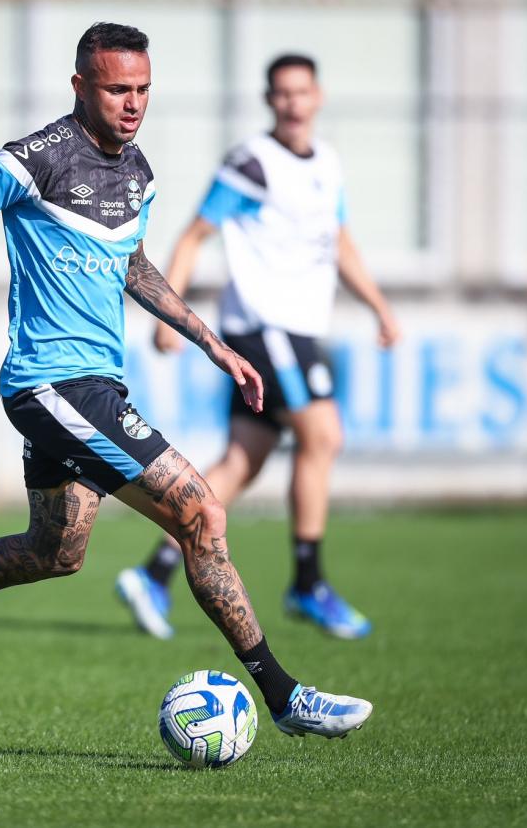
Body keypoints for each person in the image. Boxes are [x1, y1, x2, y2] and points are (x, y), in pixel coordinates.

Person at [0, 24, 372, 738]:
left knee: (53, 551)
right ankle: (284, 697)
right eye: (118, 88)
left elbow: (133, 266)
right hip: (52, 386)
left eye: (144, 89)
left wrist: (211, 343)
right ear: (80, 86)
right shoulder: (37, 159)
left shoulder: (137, 169)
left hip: (95, 388)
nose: (133, 103)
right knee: (202, 515)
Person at [115, 53, 401, 642]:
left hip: (298, 328)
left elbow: (339, 240)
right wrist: (168, 318)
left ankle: (155, 574)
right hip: (267, 328)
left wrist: (378, 303)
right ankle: (308, 582)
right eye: (281, 94)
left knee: (244, 461)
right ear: (269, 101)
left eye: (302, 92)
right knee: (324, 436)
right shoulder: (253, 163)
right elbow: (195, 233)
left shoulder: (327, 162)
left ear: (317, 96)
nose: (293, 103)